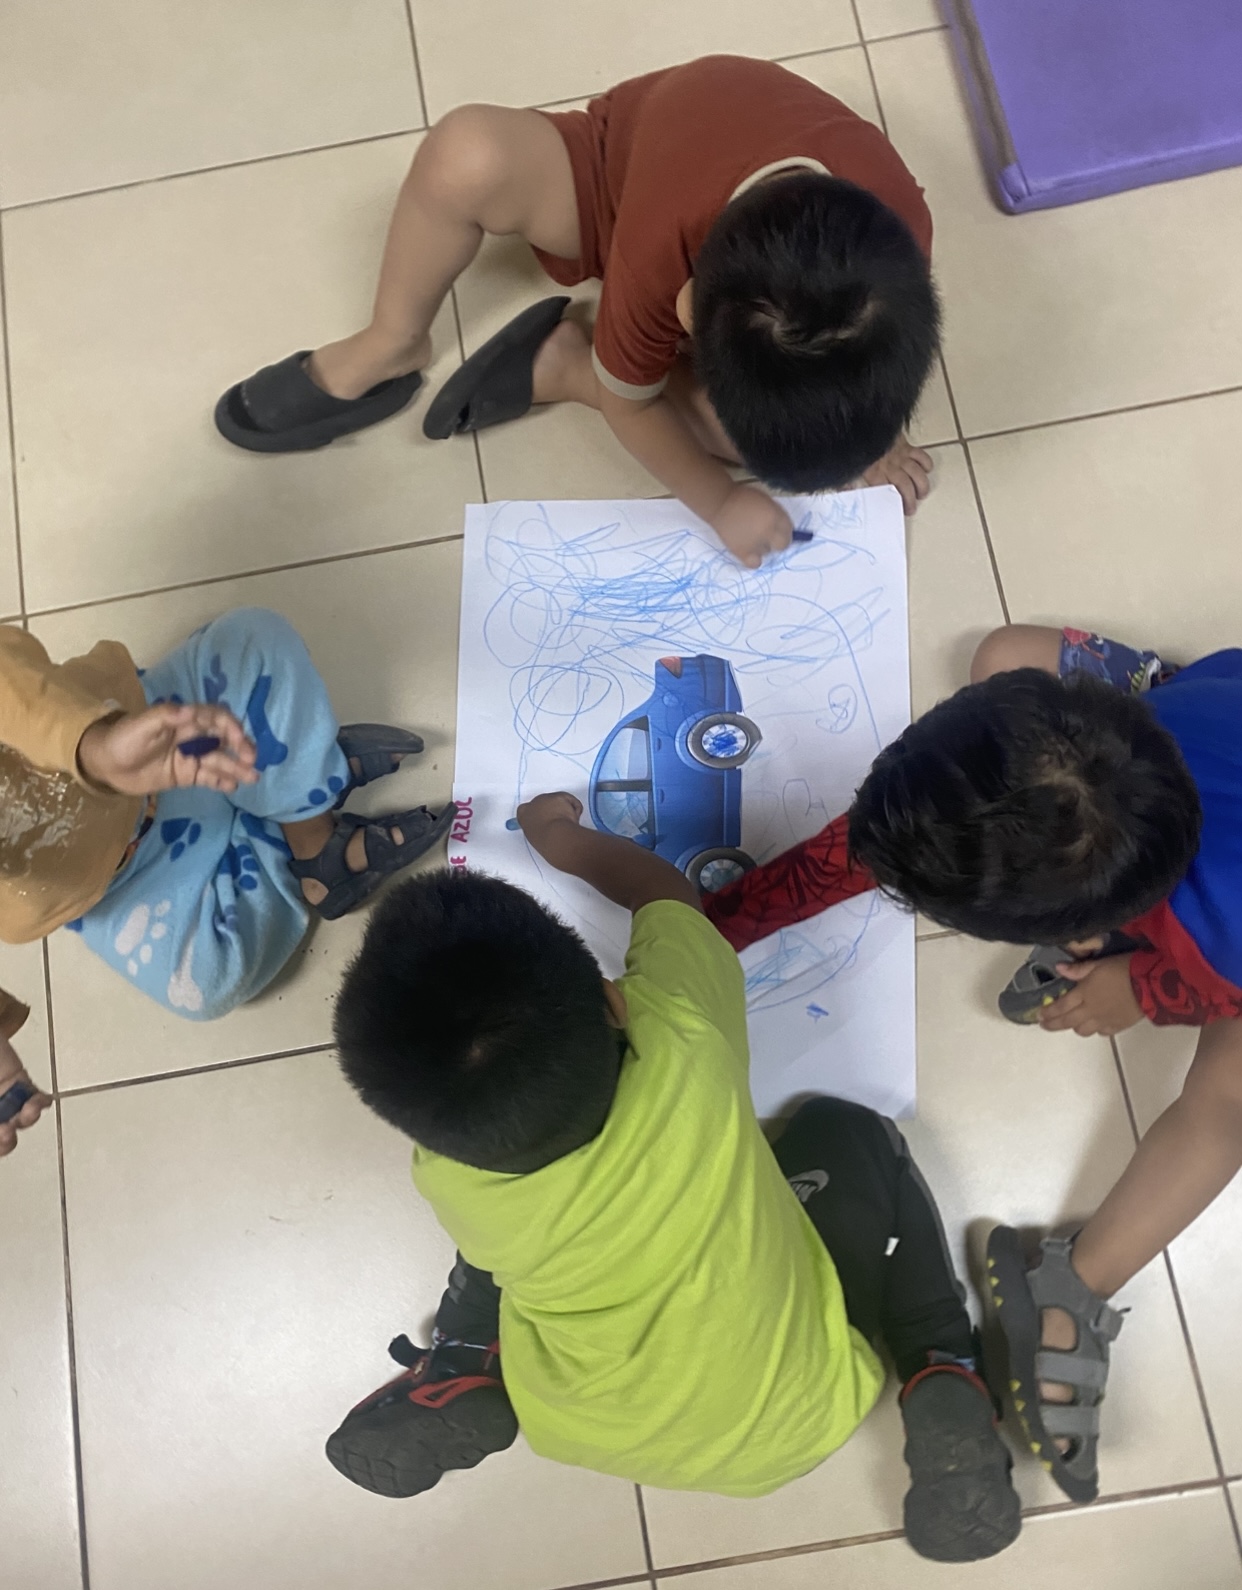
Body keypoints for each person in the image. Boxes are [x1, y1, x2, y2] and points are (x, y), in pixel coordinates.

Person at [326, 791, 1020, 1563]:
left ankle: (463, 1360)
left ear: (410, 1123)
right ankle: (939, 1359)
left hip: (583, 1422)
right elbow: (661, 891)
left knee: (490, 1250)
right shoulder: (680, 1025)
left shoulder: (446, 1175)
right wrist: (557, 836)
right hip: (804, 1403)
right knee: (852, 1132)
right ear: (614, 1003)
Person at [215, 55, 941, 568]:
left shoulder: (896, 241)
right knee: (466, 153)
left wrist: (877, 438)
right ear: (687, 314)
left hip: (721, 235)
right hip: (612, 173)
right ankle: (394, 339)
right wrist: (719, 501)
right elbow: (635, 406)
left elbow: (863, 339)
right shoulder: (657, 262)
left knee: (780, 431)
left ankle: (563, 363)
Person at [842, 624, 1242, 1505]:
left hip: (1222, 947)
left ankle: (1072, 1283)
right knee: (1004, 654)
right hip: (1213, 730)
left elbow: (1215, 991)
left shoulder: (1220, 952)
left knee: (1227, 1097)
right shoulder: (1165, 719)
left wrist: (1143, 989)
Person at [0, 608, 454, 1157]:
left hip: (136, 736)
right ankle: (298, 804)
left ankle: (306, 826)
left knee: (255, 640)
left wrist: (95, 748)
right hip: (117, 883)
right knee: (206, 982)